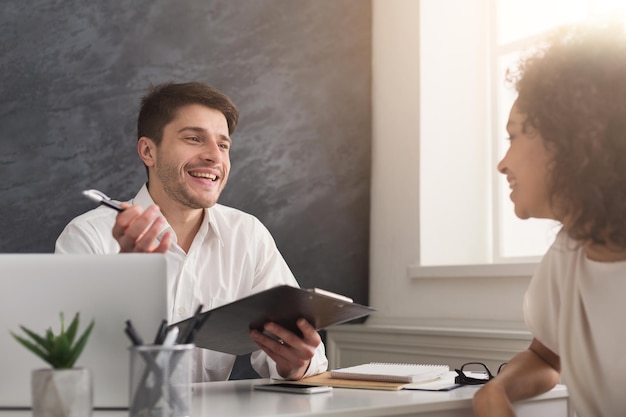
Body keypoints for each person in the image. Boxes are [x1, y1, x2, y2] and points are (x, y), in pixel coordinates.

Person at [55, 81, 328, 382]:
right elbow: (66, 370)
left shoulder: (247, 235)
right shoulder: (87, 237)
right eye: (195, 138)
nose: (215, 156)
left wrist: (294, 364)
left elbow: (307, 355)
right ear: (148, 151)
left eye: (223, 145)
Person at [472, 21, 626, 417]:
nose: (502, 163)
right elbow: (546, 354)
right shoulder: (568, 252)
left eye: (514, 136)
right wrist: (496, 392)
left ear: (572, 139)